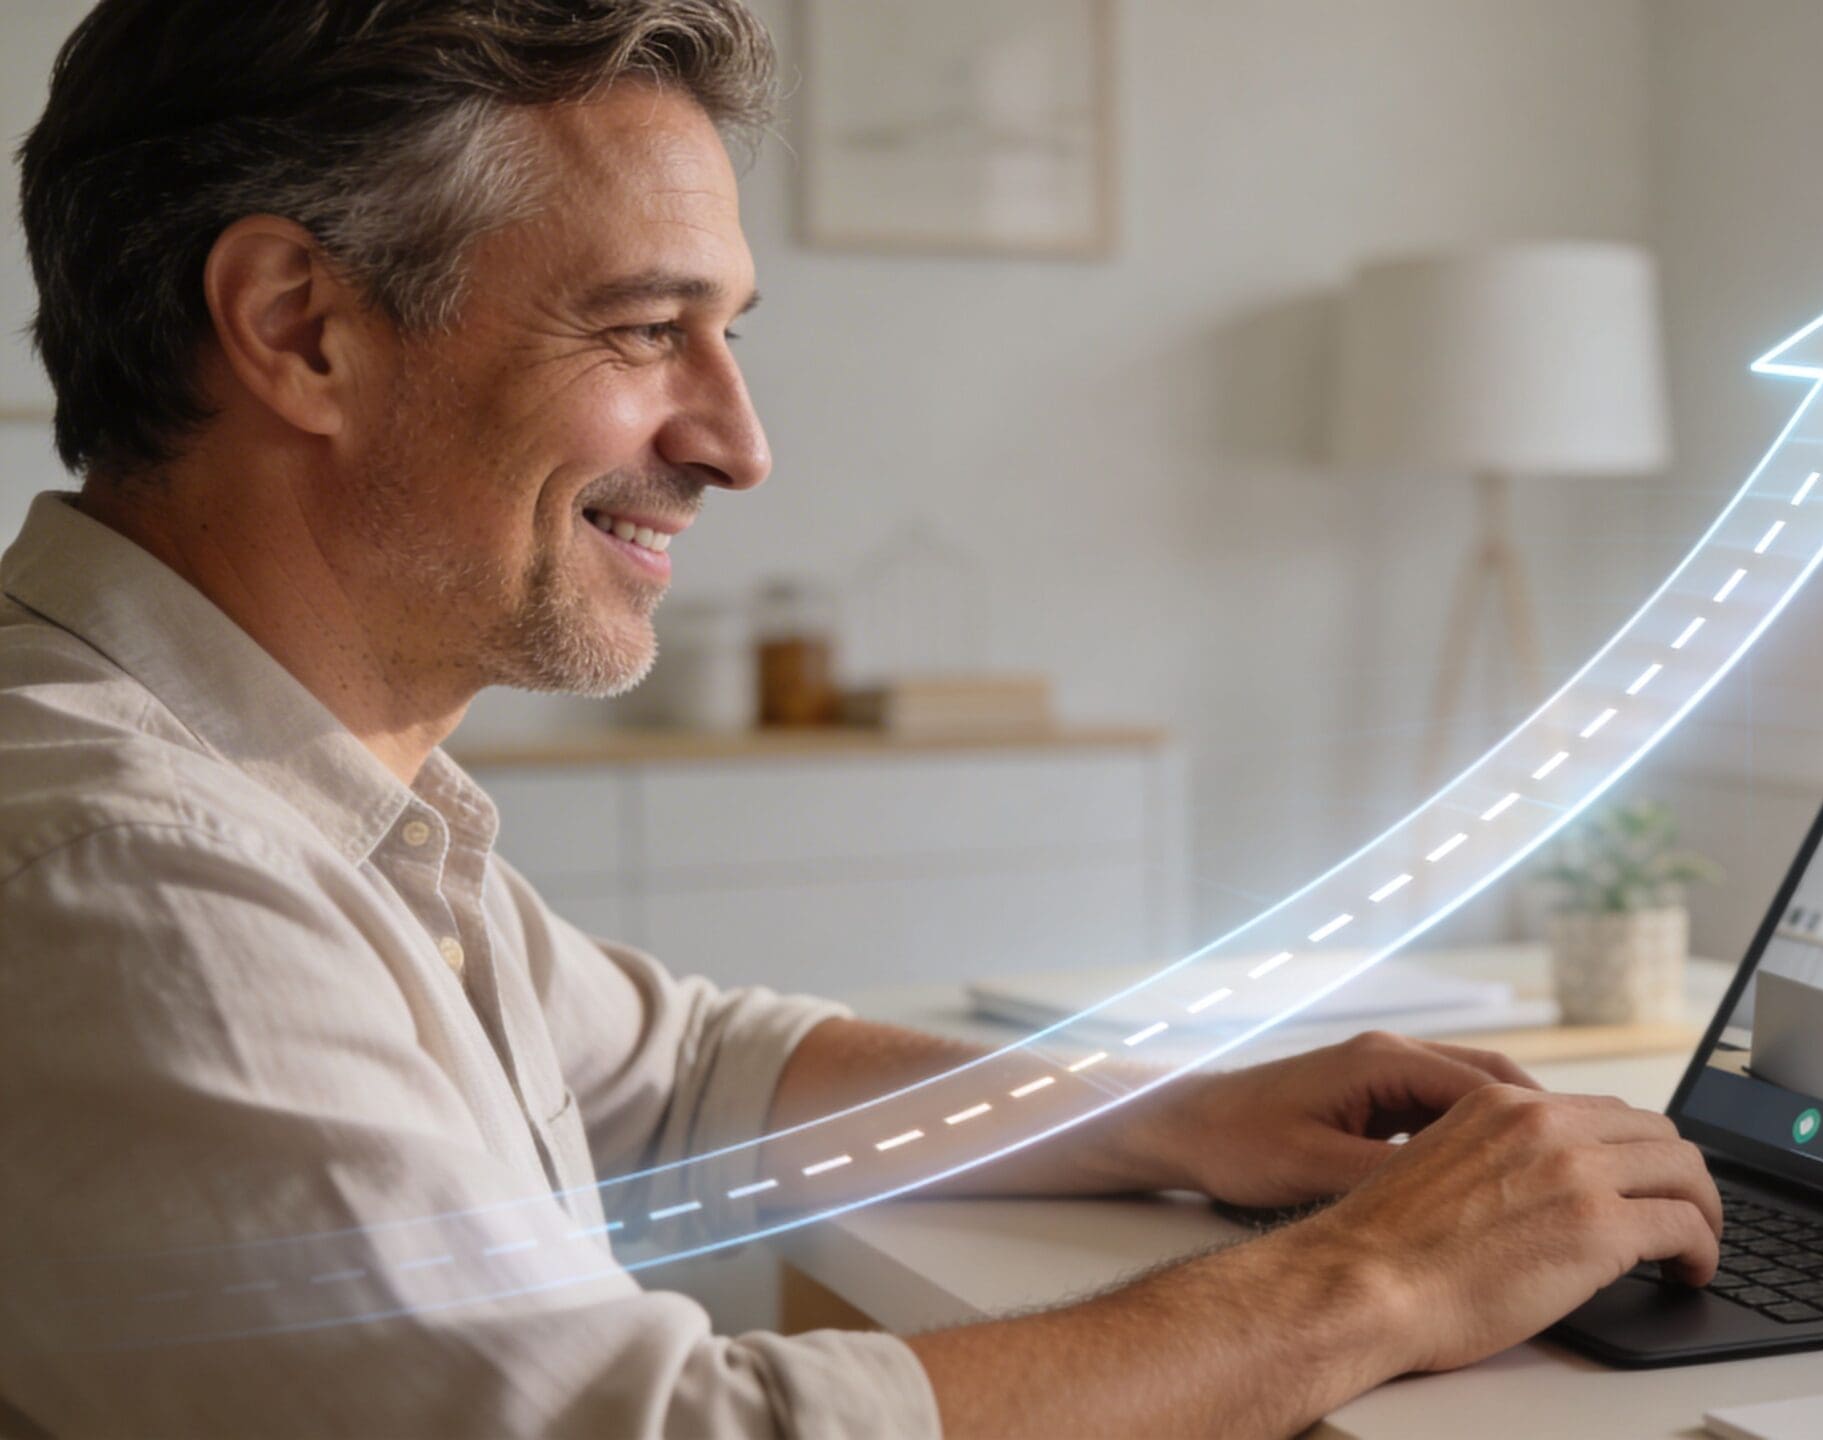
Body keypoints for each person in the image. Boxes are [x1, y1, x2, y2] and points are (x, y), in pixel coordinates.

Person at [0, 3, 1721, 1435]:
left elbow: (682, 1074)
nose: (739, 443)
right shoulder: (120, 872)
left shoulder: (293, 789)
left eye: (728, 334)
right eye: (646, 328)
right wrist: (1381, 1281)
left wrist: (1172, 1112)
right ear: (301, 329)